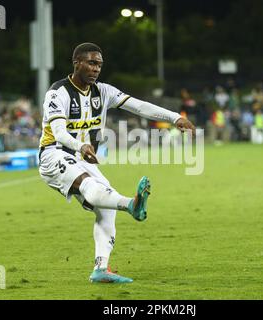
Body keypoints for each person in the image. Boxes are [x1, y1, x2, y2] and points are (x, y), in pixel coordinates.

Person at [38, 43, 195, 284]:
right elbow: (58, 132)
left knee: (106, 206)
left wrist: (174, 117)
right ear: (76, 63)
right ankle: (131, 204)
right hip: (54, 154)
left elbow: (139, 106)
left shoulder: (104, 92)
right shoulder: (57, 93)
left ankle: (101, 268)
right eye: (91, 63)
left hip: (83, 159)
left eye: (99, 64)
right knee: (91, 187)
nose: (96, 69)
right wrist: (81, 146)